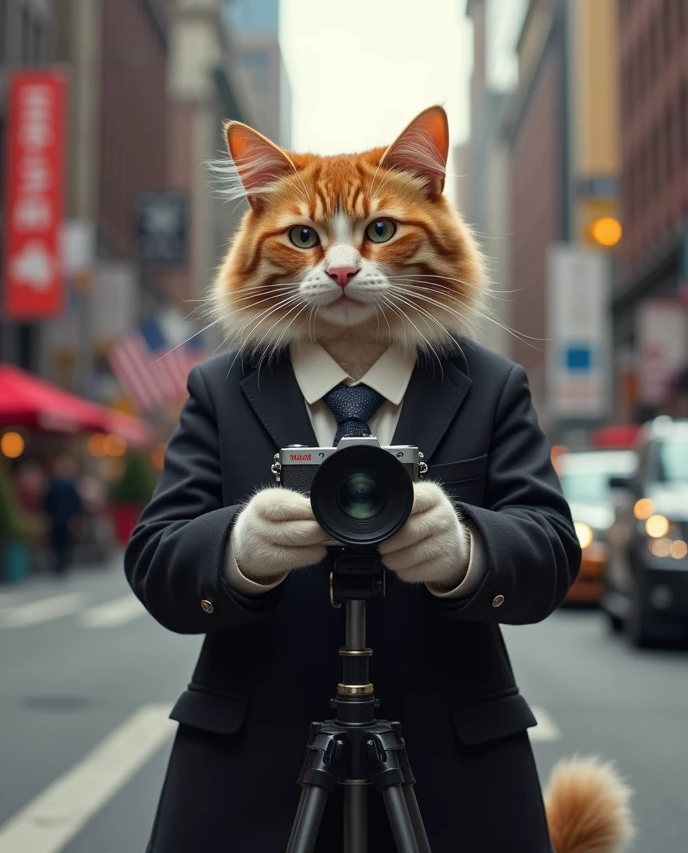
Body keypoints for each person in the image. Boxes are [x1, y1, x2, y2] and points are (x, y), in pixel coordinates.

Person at [125, 107, 633, 852]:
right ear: (257, 235)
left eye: (379, 231)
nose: (339, 266)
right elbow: (156, 560)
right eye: (301, 237)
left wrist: (467, 550)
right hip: (247, 785)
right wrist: (236, 549)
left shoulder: (492, 386)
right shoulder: (219, 389)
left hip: (454, 782)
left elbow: (553, 554)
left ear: (434, 204)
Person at [43, 455, 83, 575]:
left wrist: (47, 514)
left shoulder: (53, 483)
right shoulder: (71, 484)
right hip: (67, 518)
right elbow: (77, 502)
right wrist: (76, 515)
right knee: (66, 541)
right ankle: (63, 563)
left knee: (56, 542)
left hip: (55, 517)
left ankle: (58, 562)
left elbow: (47, 501)